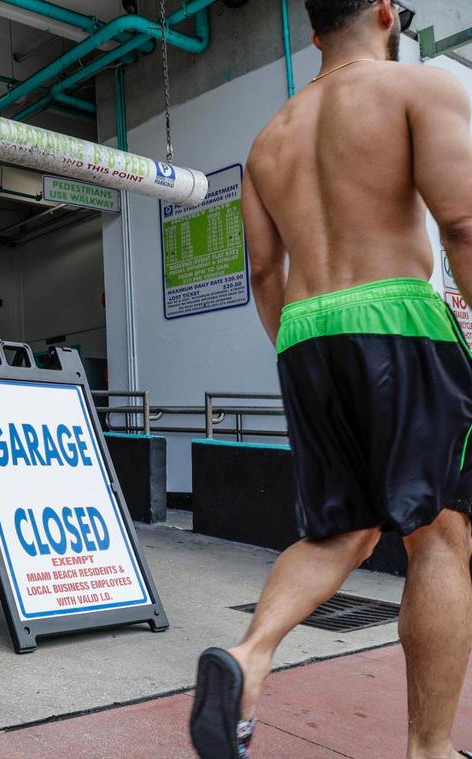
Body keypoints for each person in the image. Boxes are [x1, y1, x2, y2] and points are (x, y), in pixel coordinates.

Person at [189, 2, 472, 757]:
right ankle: (429, 748)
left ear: (314, 34)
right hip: (399, 319)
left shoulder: (268, 140)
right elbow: (463, 223)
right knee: (439, 532)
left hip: (306, 331)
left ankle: (248, 657)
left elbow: (260, 270)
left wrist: (299, 346)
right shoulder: (416, 89)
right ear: (385, 11)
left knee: (339, 527)